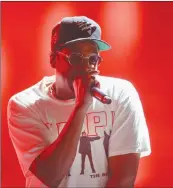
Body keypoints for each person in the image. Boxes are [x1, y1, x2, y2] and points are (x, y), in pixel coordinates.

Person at [7, 16, 151, 188]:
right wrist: (81, 107)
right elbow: (50, 177)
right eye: (76, 59)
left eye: (93, 59)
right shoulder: (24, 104)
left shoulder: (120, 94)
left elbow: (123, 180)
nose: (86, 68)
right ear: (53, 59)